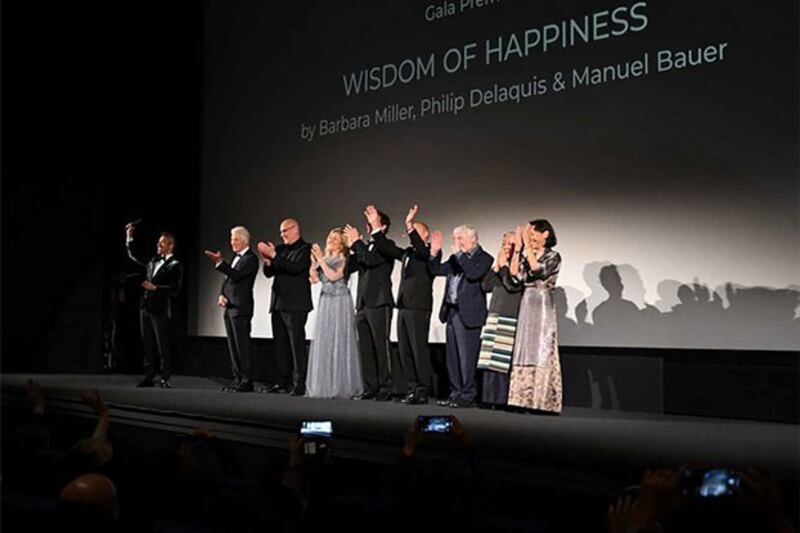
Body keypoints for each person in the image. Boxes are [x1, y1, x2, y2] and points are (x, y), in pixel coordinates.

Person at [371, 205, 435, 404]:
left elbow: (423, 252)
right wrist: (375, 226)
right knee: (405, 350)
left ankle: (422, 390)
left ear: (425, 235)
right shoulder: (408, 253)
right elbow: (387, 248)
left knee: (418, 349)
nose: (411, 235)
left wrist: (409, 224)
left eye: (416, 231)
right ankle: (411, 389)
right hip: (404, 307)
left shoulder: (429, 253)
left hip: (418, 307)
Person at [429, 225, 493, 408]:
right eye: (455, 238)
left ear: (474, 240)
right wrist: (434, 251)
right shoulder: (455, 259)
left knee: (467, 357)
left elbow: (473, 274)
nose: (457, 242)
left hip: (470, 315)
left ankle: (468, 394)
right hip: (452, 312)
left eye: (461, 238)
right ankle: (455, 393)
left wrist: (459, 255)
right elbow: (435, 270)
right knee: (453, 358)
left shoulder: (484, 258)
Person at [507, 219, 563, 413]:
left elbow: (538, 270)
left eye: (533, 234)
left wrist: (528, 249)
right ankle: (521, 399)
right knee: (525, 347)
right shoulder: (527, 254)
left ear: (545, 234)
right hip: (527, 301)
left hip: (542, 303)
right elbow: (515, 276)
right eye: (529, 235)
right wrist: (517, 250)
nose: (530, 238)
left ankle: (540, 400)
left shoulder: (553, 256)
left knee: (541, 348)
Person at [344, 207, 396, 401]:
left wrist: (357, 242)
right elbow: (350, 268)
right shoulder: (364, 246)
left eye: (372, 222)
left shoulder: (386, 245)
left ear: (382, 226)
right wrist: (352, 246)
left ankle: (385, 387)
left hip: (379, 301)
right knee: (365, 347)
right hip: (363, 303)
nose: (368, 226)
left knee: (380, 347)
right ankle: (370, 386)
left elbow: (370, 259)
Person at [305, 229, 363, 398]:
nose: (331, 240)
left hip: (339, 302)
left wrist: (321, 260)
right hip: (326, 301)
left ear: (342, 243)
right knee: (326, 341)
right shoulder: (327, 259)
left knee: (339, 341)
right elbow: (315, 279)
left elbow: (333, 276)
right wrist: (313, 265)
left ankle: (340, 385)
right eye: (330, 237)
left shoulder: (343, 259)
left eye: (335, 238)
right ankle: (325, 384)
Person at [257, 218, 312, 396]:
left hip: (296, 304)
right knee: (280, 345)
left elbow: (294, 268)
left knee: (296, 345)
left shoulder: (305, 249)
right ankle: (282, 381)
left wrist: (274, 257)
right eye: (281, 232)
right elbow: (268, 273)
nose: (282, 235)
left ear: (295, 229)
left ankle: (299, 383)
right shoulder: (280, 250)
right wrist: (267, 260)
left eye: (285, 231)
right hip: (278, 303)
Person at [125, 224, 183, 388]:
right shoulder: (152, 261)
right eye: (158, 243)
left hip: (160, 309)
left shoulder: (175, 265)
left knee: (162, 344)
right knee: (148, 343)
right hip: (146, 307)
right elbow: (134, 255)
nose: (158, 246)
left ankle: (165, 377)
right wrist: (130, 237)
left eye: (162, 244)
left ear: (170, 246)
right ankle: (149, 376)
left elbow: (176, 289)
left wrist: (156, 288)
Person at [204, 226, 258, 392]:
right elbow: (228, 280)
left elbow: (237, 275)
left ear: (244, 240)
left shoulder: (250, 259)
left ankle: (246, 381)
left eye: (235, 239)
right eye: (231, 239)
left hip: (241, 307)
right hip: (229, 307)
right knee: (233, 347)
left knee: (242, 347)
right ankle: (237, 379)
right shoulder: (235, 258)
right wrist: (222, 294)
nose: (231, 242)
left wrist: (220, 262)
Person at [477, 232, 523, 407]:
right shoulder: (501, 266)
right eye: (504, 243)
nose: (506, 246)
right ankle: (489, 398)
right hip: (494, 314)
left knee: (502, 361)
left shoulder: (519, 264)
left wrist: (504, 267)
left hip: (509, 315)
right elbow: (486, 286)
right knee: (490, 359)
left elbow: (513, 285)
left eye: (510, 244)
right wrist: (496, 267)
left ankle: (501, 399)